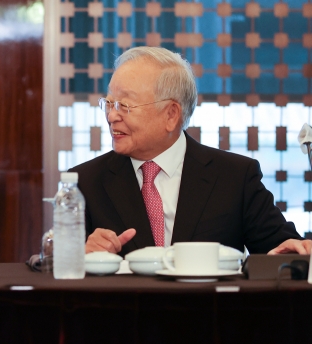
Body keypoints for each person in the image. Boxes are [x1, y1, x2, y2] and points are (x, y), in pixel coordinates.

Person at [73, 46, 311, 256]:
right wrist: (80, 255)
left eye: (124, 105)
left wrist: (296, 249)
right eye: (109, 103)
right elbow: (50, 265)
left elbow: (283, 249)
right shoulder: (85, 183)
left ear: (171, 114)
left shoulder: (235, 177)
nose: (112, 116)